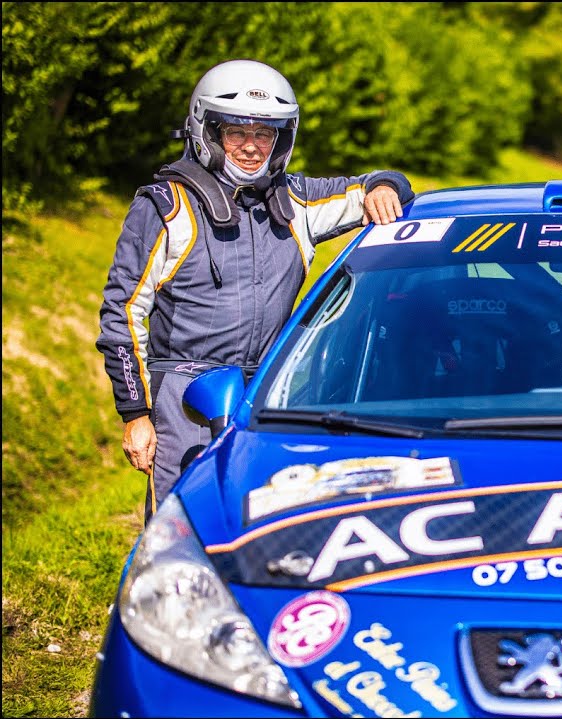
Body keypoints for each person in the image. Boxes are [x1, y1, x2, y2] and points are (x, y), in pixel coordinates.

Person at [96, 59, 416, 521]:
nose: (251, 146)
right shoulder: (165, 206)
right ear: (207, 132)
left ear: (281, 139)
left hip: (266, 395)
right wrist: (136, 414)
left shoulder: (296, 200)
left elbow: (376, 186)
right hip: (185, 396)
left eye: (264, 134)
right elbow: (122, 313)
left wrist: (385, 186)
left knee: (270, 521)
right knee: (182, 524)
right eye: (236, 133)